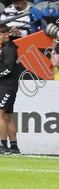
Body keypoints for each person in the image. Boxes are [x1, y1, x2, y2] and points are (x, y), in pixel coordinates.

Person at [0, 25, 20, 154]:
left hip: (7, 85)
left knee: (0, 114)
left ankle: (2, 145)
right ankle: (14, 146)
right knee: (7, 116)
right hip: (8, 85)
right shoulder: (7, 47)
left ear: (6, 34)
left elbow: (8, 69)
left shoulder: (9, 50)